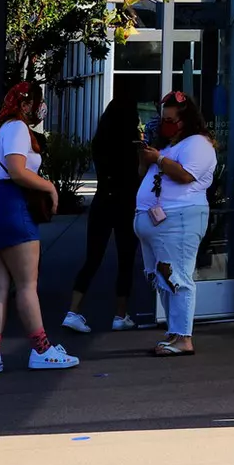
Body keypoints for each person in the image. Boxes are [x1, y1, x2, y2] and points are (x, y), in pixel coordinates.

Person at [0, 81, 79, 375]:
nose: (40, 108)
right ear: (27, 104)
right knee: (27, 285)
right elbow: (18, 172)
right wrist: (50, 187)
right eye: (37, 101)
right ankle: (42, 349)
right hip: (11, 207)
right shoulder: (18, 128)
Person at [135, 90, 217, 357]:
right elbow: (144, 175)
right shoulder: (169, 146)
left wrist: (158, 158)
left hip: (180, 218)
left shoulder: (198, 143)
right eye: (164, 118)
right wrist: (147, 157)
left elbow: (185, 175)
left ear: (186, 119)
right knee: (164, 278)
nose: (166, 123)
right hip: (157, 222)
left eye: (171, 119)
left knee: (178, 277)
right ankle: (174, 331)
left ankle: (183, 337)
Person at [62, 101, 144, 335]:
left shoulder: (100, 141)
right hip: (126, 202)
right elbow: (139, 173)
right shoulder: (133, 144)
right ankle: (120, 314)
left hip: (102, 200)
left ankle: (73, 310)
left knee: (93, 257)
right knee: (126, 259)